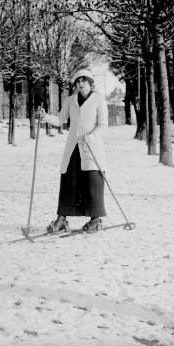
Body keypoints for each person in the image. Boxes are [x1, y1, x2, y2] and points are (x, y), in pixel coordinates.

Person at [37, 68, 108, 233]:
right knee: (68, 182)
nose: (81, 84)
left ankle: (95, 220)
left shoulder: (99, 100)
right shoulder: (70, 100)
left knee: (93, 183)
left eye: (84, 81)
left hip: (92, 149)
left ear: (90, 83)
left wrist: (92, 136)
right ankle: (62, 219)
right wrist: (45, 116)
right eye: (78, 81)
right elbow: (60, 120)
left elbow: (103, 125)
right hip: (73, 148)